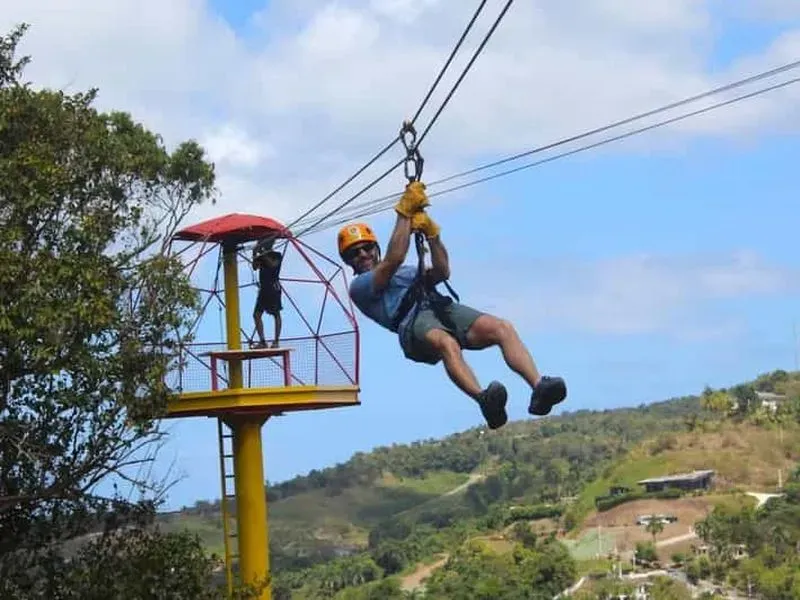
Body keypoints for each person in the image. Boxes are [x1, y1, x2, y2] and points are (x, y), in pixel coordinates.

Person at [337, 181, 567, 430]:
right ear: (348, 261)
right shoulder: (359, 287)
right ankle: (483, 399)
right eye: (354, 253)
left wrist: (433, 236)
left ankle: (538, 388)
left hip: (436, 306)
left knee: (502, 328)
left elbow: (442, 272)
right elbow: (393, 258)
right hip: (411, 322)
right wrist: (404, 212)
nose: (362, 255)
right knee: (447, 343)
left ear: (375, 248)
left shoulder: (404, 273)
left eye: (366, 248)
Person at [251, 235, 283, 349]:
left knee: (276, 313)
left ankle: (276, 341)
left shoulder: (277, 255)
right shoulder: (261, 255)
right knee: (256, 314)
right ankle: (262, 341)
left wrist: (262, 252)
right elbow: (255, 267)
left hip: (273, 287)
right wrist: (255, 254)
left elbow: (272, 265)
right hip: (263, 288)